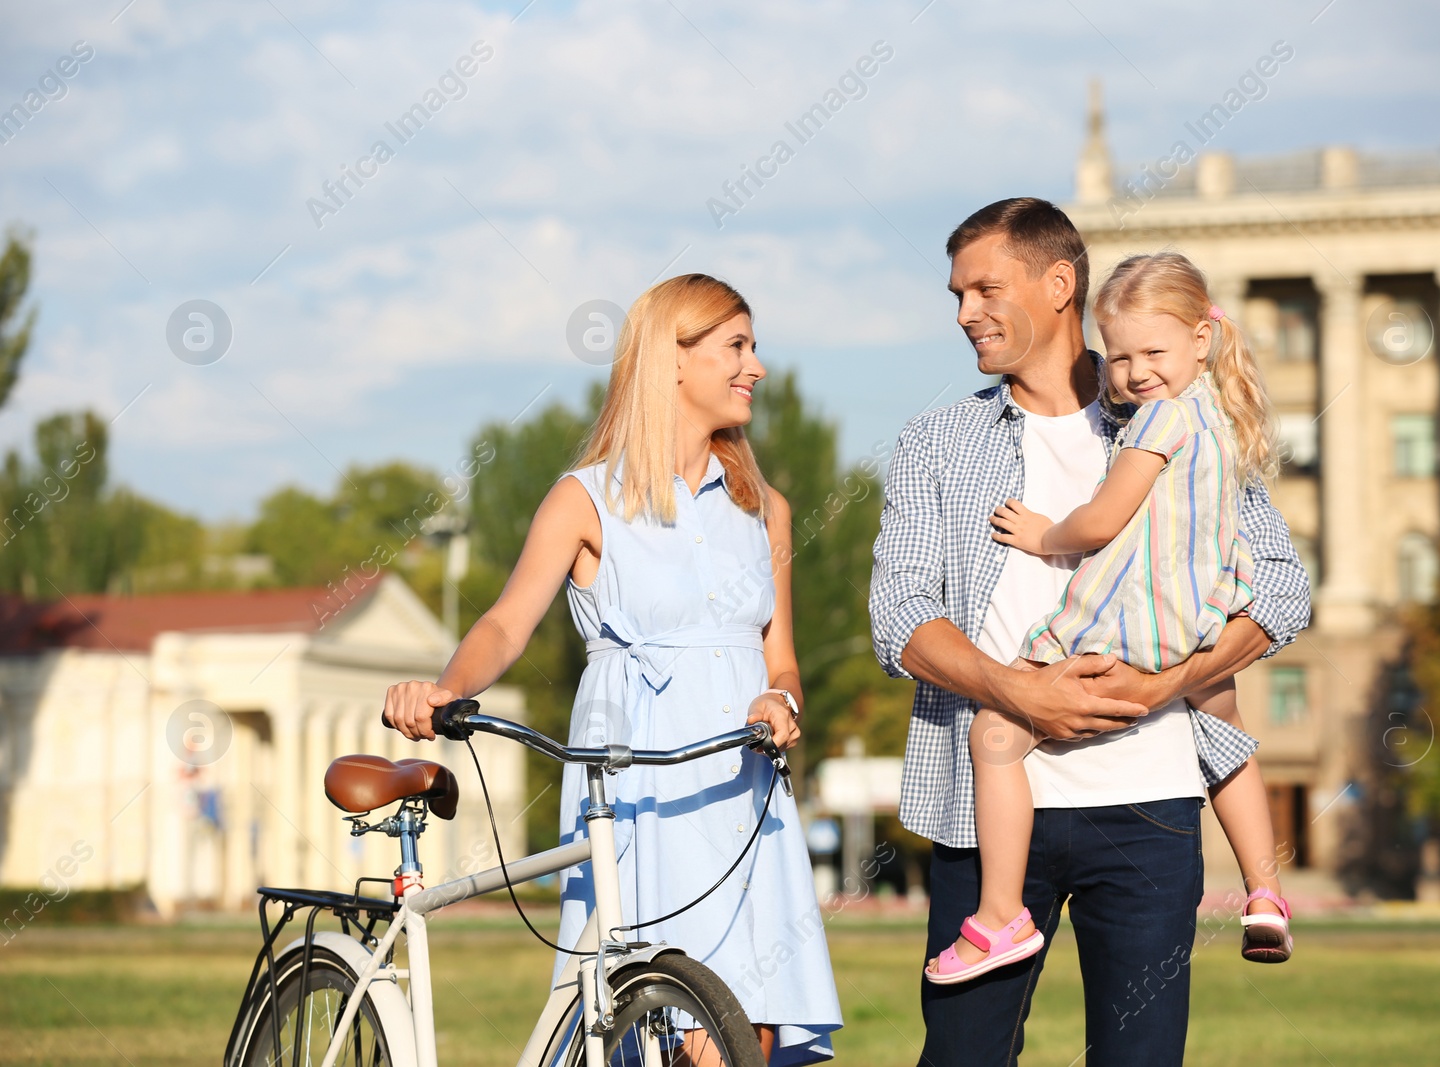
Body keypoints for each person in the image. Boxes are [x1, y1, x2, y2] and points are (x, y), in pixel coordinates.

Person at [869, 198, 1310, 1067]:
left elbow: (1284, 590)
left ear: (1059, 283)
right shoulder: (935, 444)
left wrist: (1161, 685)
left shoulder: (1174, 406)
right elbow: (899, 617)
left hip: (1147, 808)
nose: (965, 313)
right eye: (958, 293)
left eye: (986, 288)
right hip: (985, 811)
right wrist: (1016, 690)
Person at [384, 273, 842, 1065]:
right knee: (660, 1018)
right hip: (638, 779)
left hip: (742, 783)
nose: (756, 367)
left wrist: (782, 698)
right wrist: (448, 690)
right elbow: (504, 621)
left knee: (754, 1029)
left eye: (753, 346)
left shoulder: (766, 508)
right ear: (670, 360)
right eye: (737, 345)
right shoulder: (584, 498)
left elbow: (784, 660)